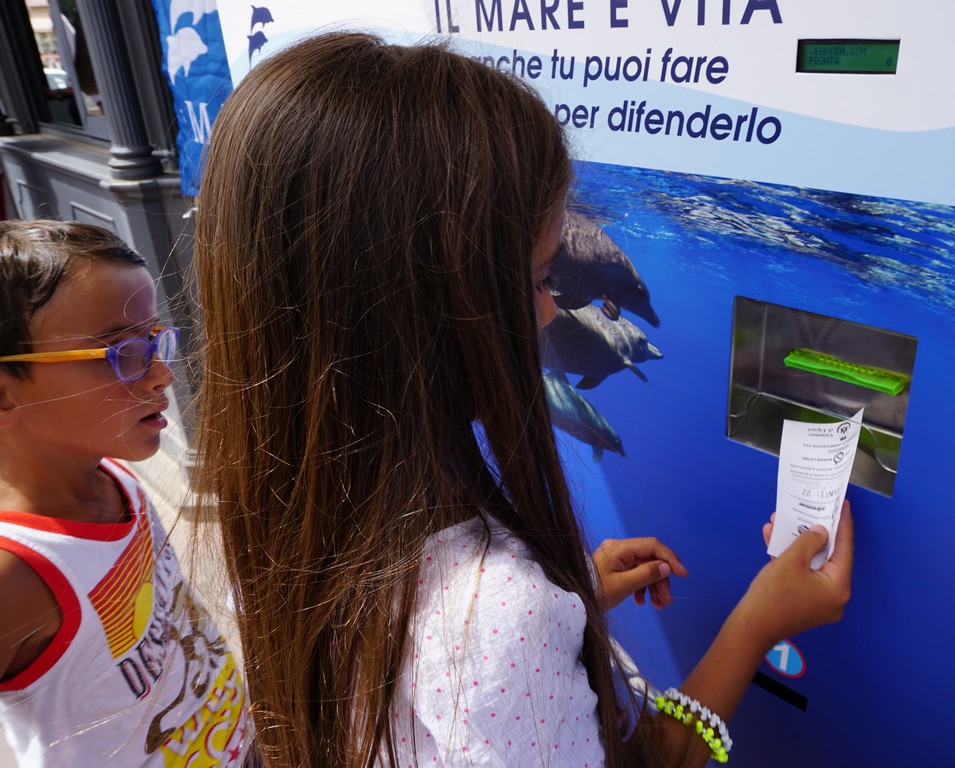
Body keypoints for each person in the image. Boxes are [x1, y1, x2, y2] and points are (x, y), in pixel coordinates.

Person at [192, 31, 853, 768]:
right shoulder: (492, 614)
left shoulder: (273, 507)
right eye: (539, 281)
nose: (549, 314)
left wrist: (568, 604)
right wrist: (756, 626)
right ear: (419, 312)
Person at [0, 220, 250, 766]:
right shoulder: (18, 573)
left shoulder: (115, 477)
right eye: (122, 352)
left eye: (155, 341)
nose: (161, 374)